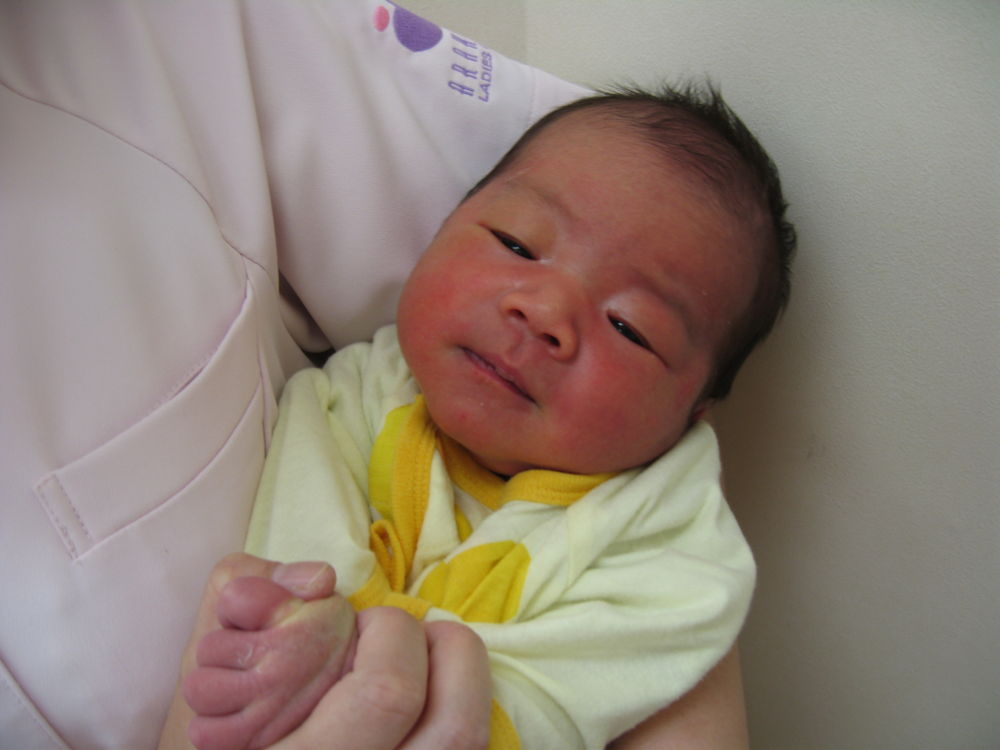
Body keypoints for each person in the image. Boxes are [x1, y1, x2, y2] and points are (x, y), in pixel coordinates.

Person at [176, 84, 795, 750]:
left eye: (629, 325)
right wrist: (301, 634)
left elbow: (561, 696)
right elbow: (300, 541)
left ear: (693, 414)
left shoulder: (668, 542)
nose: (545, 311)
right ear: (441, 226)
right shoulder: (356, 395)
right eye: (517, 244)